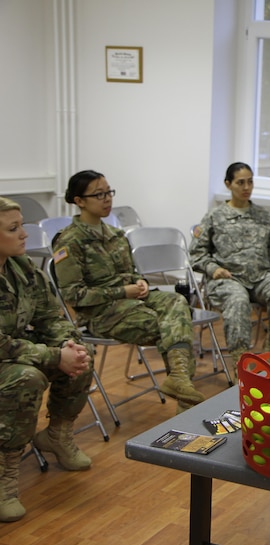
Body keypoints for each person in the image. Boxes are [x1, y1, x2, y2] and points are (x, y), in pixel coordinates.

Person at [53, 170, 204, 414]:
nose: (107, 199)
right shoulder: (69, 242)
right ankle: (184, 396)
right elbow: (74, 295)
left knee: (177, 302)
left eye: (109, 192)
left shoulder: (116, 235)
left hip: (134, 300)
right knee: (171, 325)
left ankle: (179, 380)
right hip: (101, 313)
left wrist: (140, 282)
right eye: (98, 194)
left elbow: (130, 272)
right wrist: (123, 291)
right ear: (79, 201)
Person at [0, 197, 94, 522]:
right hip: (6, 356)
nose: (25, 234)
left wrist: (67, 345)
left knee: (83, 354)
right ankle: (4, 472)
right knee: (27, 379)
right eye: (13, 229)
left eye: (22, 225)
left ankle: (57, 434)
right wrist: (55, 356)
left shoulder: (21, 268)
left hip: (15, 352)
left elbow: (50, 315)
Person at [189, 162, 270, 370]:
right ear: (228, 184)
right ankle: (241, 363)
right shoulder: (215, 216)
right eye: (240, 183)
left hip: (260, 277)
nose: (246, 187)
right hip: (227, 278)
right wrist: (213, 269)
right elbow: (196, 254)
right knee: (238, 301)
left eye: (250, 182)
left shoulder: (263, 216)